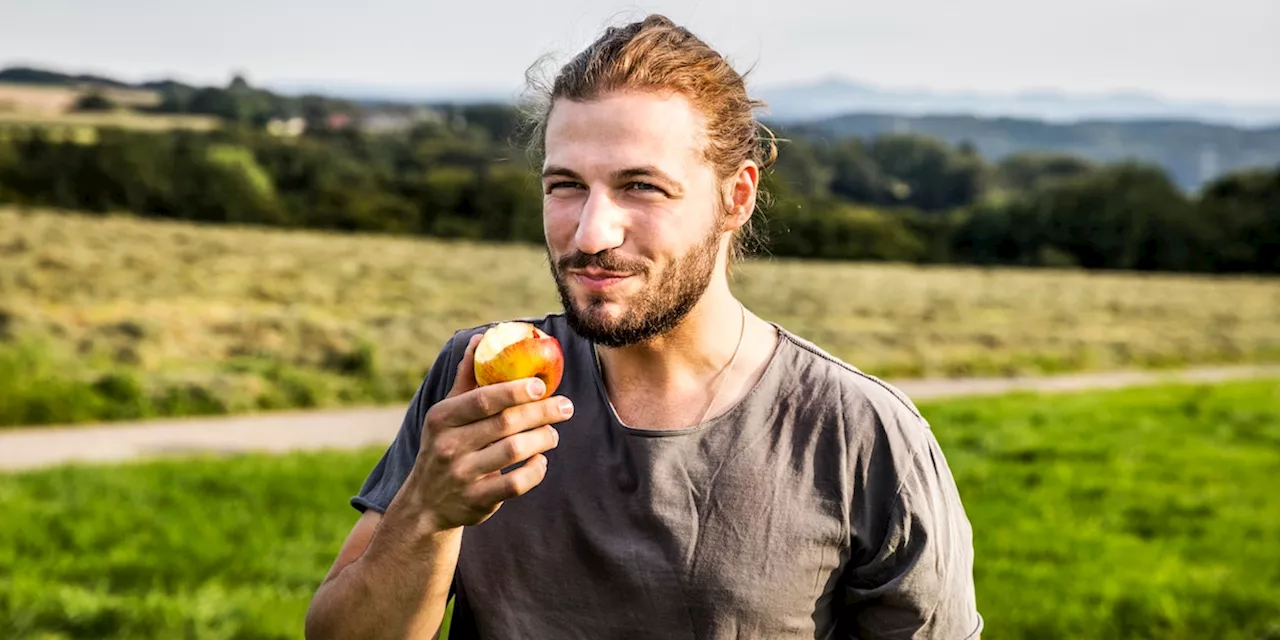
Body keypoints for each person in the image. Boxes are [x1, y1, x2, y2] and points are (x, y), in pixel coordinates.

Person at [305, 14, 982, 640]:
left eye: (641, 187)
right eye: (565, 185)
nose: (591, 232)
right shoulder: (477, 378)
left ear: (735, 197)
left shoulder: (862, 435)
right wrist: (426, 512)